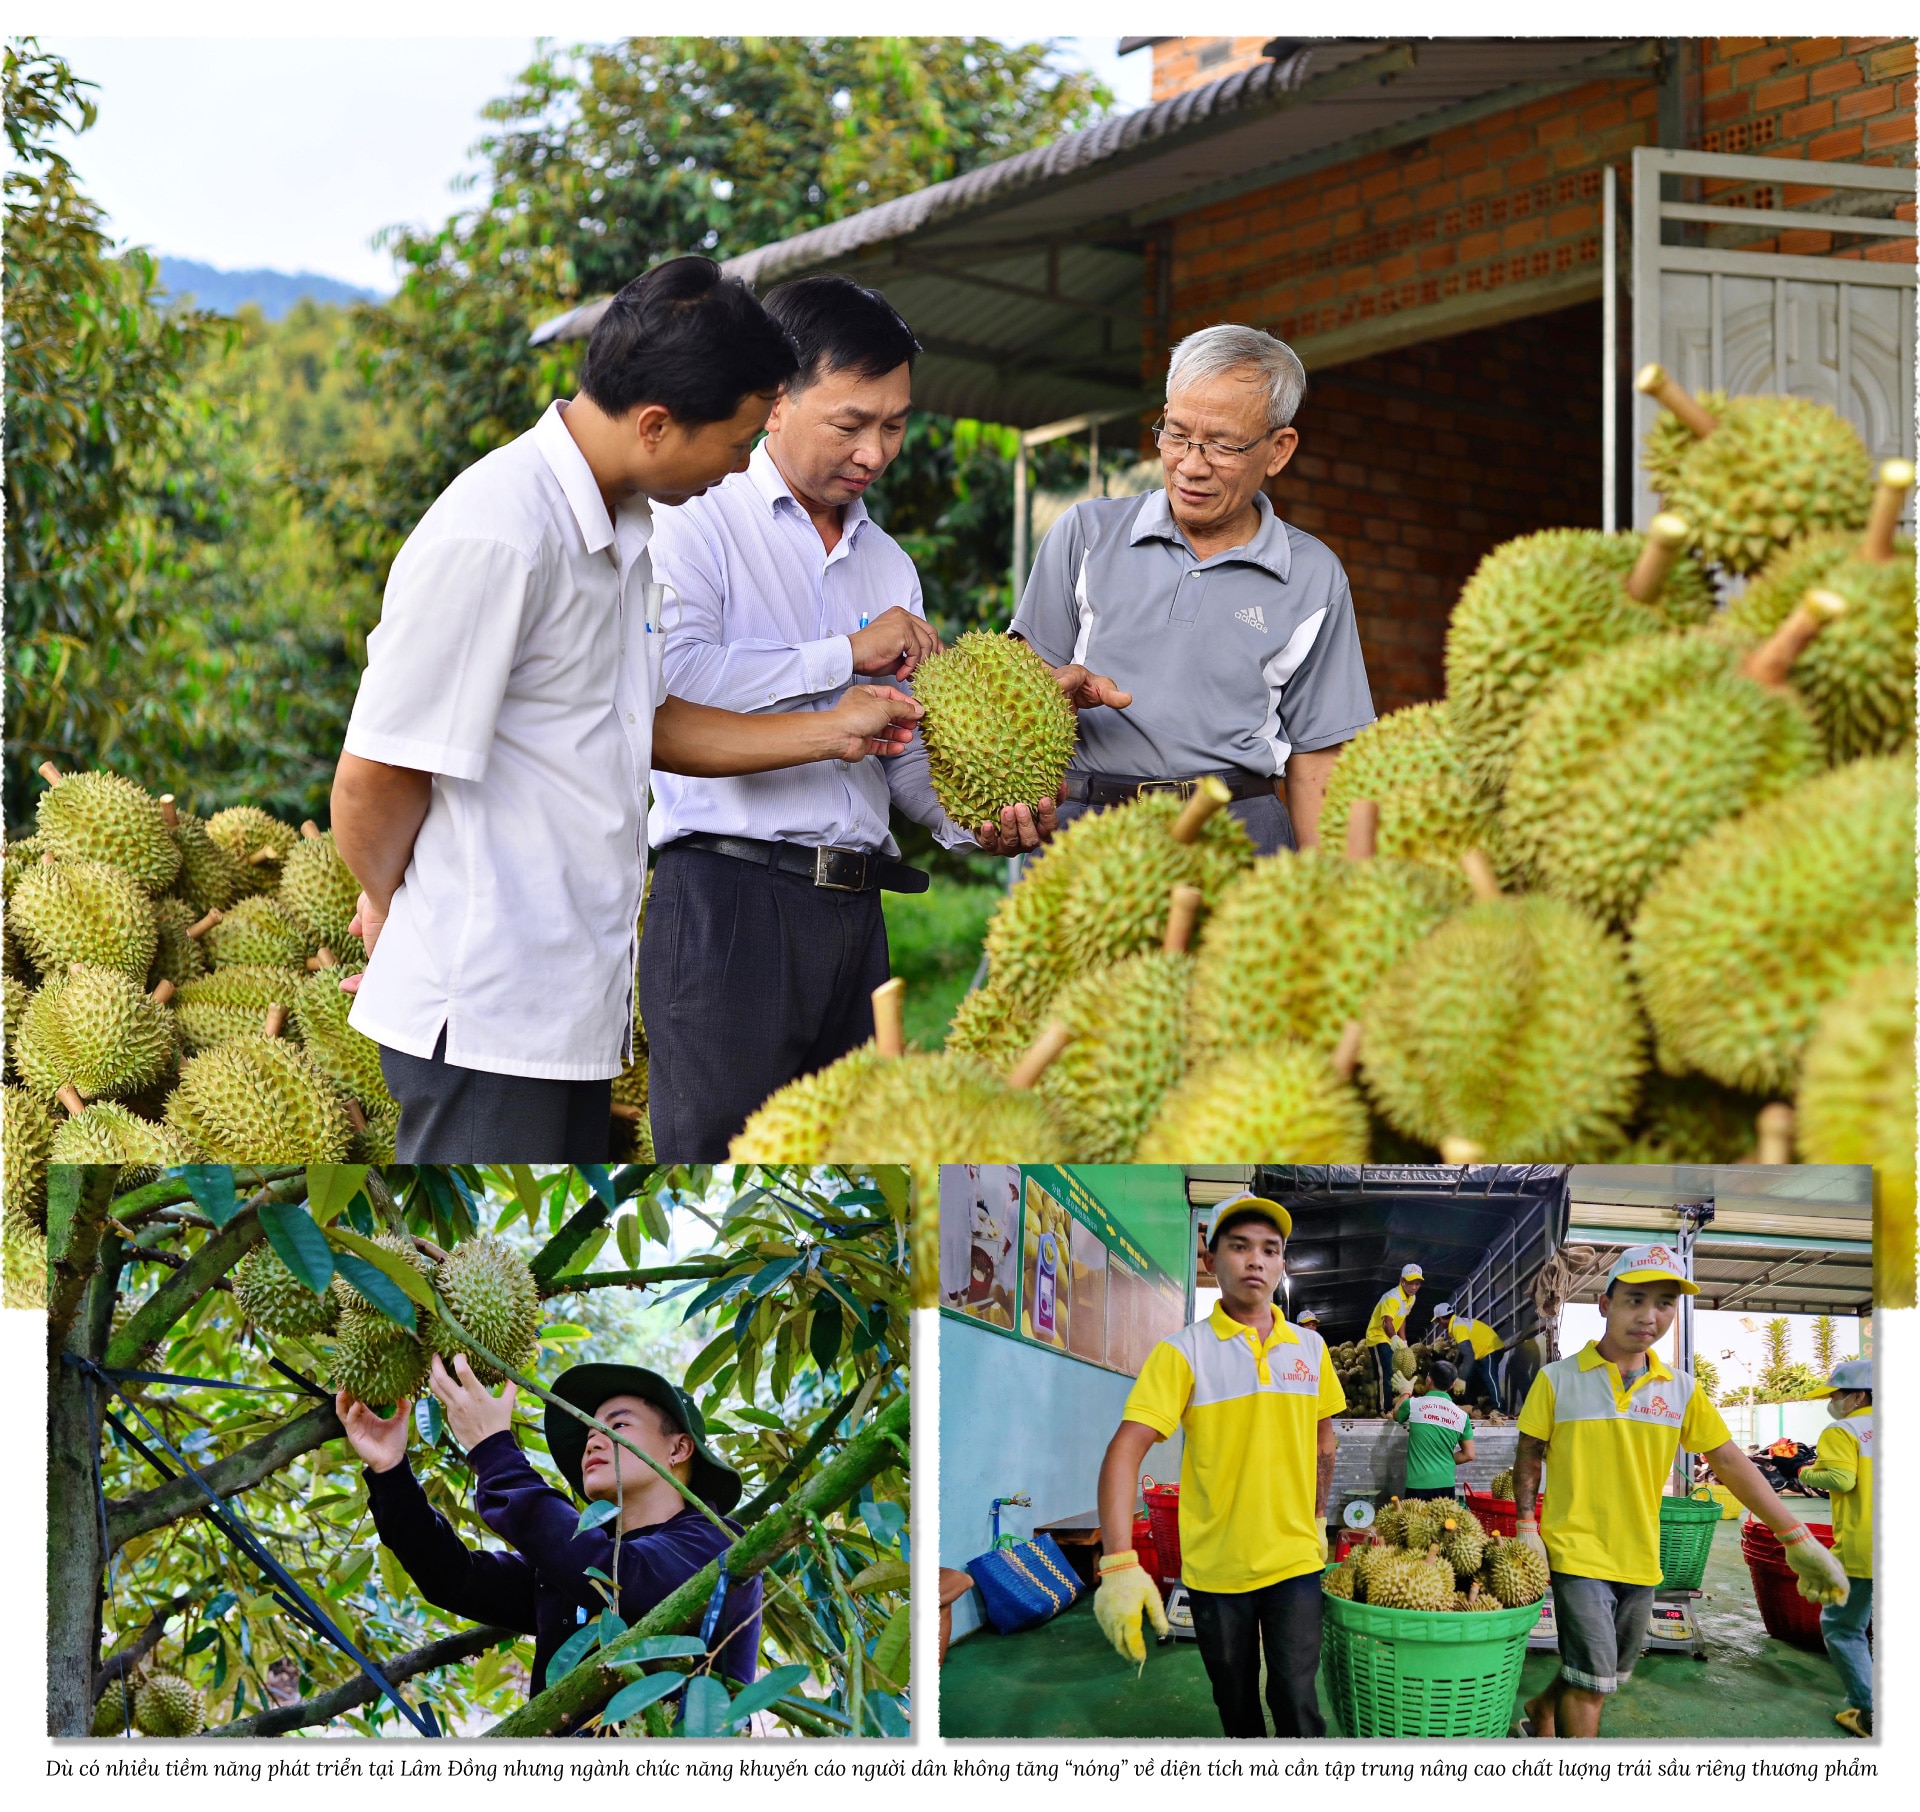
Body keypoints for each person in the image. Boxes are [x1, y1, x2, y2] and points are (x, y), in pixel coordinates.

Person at [333, 257, 924, 1162]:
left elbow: (645, 724)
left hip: (569, 1004)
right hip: (485, 1002)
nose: (739, 465)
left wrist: (835, 729)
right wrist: (391, 902)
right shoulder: (500, 530)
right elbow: (377, 773)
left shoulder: (624, 530)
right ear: (656, 424)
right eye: (733, 444)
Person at [641, 275, 1129, 1158]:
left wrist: (981, 821)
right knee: (721, 1162)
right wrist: (846, 653)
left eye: (895, 425)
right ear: (776, 400)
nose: (875, 451)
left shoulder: (890, 565)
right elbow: (671, 688)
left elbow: (901, 752)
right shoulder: (694, 520)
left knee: (857, 1168)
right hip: (726, 904)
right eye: (850, 423)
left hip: (854, 916)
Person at [1009, 323, 1376, 854]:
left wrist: (1331, 899)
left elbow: (1318, 759)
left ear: (1278, 450)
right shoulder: (1086, 533)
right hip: (1087, 828)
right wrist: (1054, 690)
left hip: (1238, 835)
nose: (1190, 465)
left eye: (1222, 445)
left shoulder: (1315, 574)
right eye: (1176, 434)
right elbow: (1016, 686)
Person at [1515, 1245, 1850, 1739]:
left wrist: (1797, 1537)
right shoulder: (1557, 1379)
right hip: (1574, 1551)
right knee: (1592, 1687)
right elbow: (1529, 1454)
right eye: (1635, 1299)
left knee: (1601, 1676)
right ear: (1605, 1304)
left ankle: (1541, 1710)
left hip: (1641, 1556)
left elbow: (1731, 1462)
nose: (1650, 1316)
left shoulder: (1681, 1389)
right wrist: (1527, 1527)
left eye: (1665, 1302)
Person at [339, 1357, 761, 1708]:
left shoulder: (719, 1547)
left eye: (618, 1426)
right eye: (589, 1432)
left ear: (678, 1449)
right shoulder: (573, 1568)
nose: (593, 1441)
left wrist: (493, 1448)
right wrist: (391, 1472)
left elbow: (616, 1579)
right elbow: (455, 1577)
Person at [1093, 1195, 1343, 1738]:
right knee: (1236, 1706)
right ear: (1210, 1261)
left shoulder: (1313, 1348)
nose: (1256, 1260)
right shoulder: (1183, 1352)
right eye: (1239, 1246)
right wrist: (1118, 1561)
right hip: (1216, 1569)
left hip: (1295, 1561)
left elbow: (1326, 1443)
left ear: (1281, 1266)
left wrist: (1319, 1518)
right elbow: (1124, 1450)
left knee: (1299, 1701)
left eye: (1270, 1250)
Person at [1799, 1357, 1873, 1737]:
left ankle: (1870, 1713)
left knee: (1844, 1628)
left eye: (1838, 1394)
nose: (1834, 1402)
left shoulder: (1845, 1430)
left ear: (1858, 1396)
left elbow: (1841, 1479)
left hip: (1866, 1550)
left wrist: (1804, 1472)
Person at [1393, 1359, 1475, 1500]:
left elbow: (1396, 1414)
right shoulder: (1462, 1416)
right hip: (1446, 1485)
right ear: (1452, 1385)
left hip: (1418, 1485)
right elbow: (1469, 1454)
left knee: (1417, 1522)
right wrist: (1443, 1460)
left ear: (1428, 1380)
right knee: (1443, 1522)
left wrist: (1405, 1392)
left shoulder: (1413, 1404)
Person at [1364, 1262, 1423, 1418]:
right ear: (1402, 1280)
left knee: (1397, 1372)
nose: (1414, 1287)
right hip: (1377, 1336)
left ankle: (1397, 1405)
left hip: (1391, 1337)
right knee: (1386, 1372)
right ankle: (1384, 1410)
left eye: (1417, 1283)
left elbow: (1402, 1318)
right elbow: (1387, 1322)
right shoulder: (1393, 1298)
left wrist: (1403, 1340)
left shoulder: (1412, 1298)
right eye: (1411, 1282)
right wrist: (1394, 1337)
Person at [1431, 1299, 1508, 1413]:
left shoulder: (1458, 1327)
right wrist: (1454, 1368)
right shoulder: (1457, 1323)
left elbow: (1468, 1355)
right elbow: (1462, 1352)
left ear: (1441, 1318)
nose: (1439, 1324)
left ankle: (1498, 1409)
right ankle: (1470, 1408)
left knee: (1489, 1377)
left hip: (1490, 1349)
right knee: (1470, 1380)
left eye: (1438, 1321)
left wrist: (1461, 1379)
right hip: (1479, 1353)